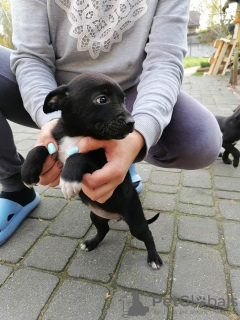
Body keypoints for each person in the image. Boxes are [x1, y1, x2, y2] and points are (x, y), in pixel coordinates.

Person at [0, 0, 222, 246]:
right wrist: (52, 123)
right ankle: (14, 185)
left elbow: (165, 59)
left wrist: (139, 135)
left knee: (201, 139)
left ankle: (122, 157)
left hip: (130, 88)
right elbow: (31, 56)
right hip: (53, 88)